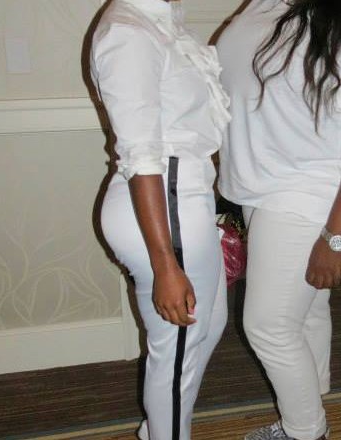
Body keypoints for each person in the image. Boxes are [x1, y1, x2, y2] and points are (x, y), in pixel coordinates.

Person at [217, 0, 341, 439]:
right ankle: (311, 399)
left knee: (268, 326)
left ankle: (305, 431)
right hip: (260, 184)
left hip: (309, 189)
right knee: (305, 311)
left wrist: (335, 236)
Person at [89, 0, 230, 439]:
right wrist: (165, 264)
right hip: (164, 203)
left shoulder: (161, 23)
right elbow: (142, 157)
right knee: (176, 354)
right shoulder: (129, 31)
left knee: (206, 327)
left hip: (184, 196)